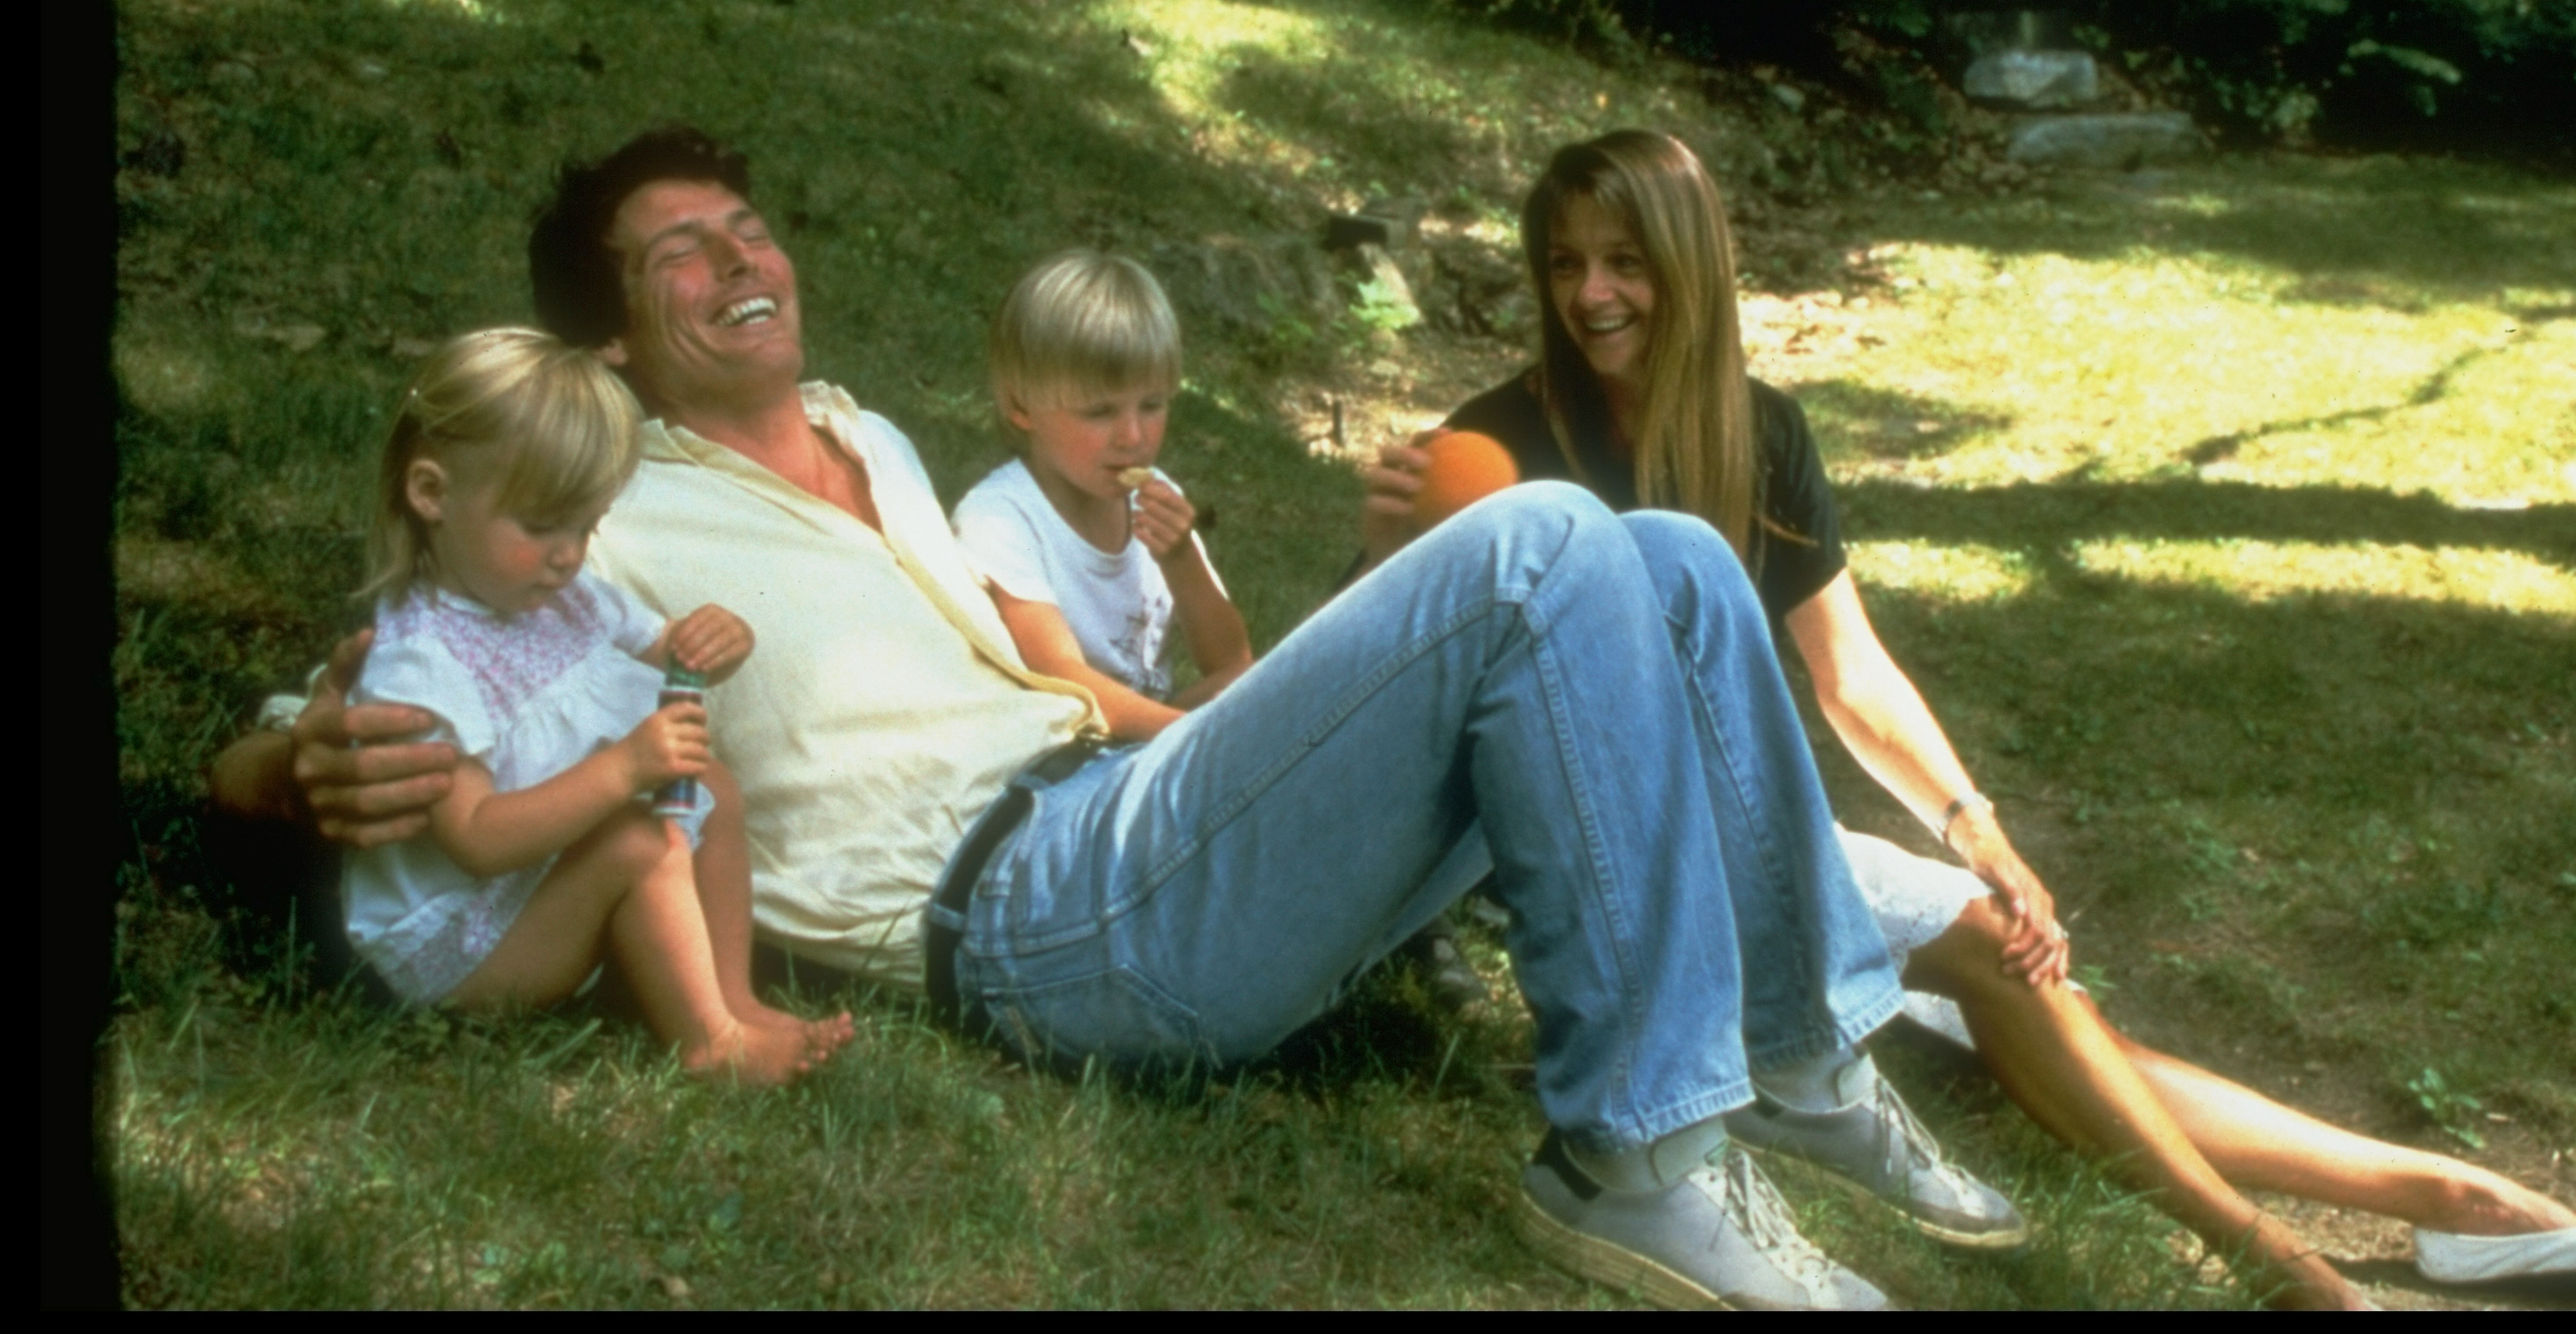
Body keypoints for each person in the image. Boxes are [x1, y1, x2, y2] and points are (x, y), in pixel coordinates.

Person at [210, 124, 2031, 1310]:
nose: (736, 253)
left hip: (1128, 813)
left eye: (747, 221)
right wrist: (297, 761)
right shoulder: (596, 499)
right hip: (1032, 915)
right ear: (606, 340)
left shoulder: (876, 435)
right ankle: (1635, 1154)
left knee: (1673, 560)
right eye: (676, 251)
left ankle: (1792, 1049)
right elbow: (330, 705)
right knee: (1545, 542)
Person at [1357, 129, 2576, 1309]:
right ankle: (2288, 1267)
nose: (1592, 296)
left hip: (1753, 841)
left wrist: (1975, 824)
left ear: (1689, 268)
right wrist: (1386, 552)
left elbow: (1852, 677)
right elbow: (1423, 703)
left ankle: (2450, 1201)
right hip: (1623, 861)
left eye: (1627, 261)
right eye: (1568, 263)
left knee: (2036, 1011)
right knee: (1992, 963)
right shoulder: (1497, 448)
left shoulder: (1761, 435)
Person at [341, 327, 851, 1086]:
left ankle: (734, 998)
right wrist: (622, 770)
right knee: (639, 842)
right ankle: (711, 1044)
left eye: (587, 526)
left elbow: (669, 646)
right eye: (543, 525)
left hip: (539, 889)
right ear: (431, 494)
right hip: (462, 943)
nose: (569, 553)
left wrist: (717, 640)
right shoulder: (423, 664)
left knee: (712, 786)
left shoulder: (564, 599)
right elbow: (476, 838)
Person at [954, 251, 1251, 739]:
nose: (1133, 436)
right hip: (1061, 758)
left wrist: (1181, 559)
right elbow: (1059, 677)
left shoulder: (1155, 497)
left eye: (1152, 405)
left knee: (1256, 688)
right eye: (1099, 412)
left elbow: (1231, 661)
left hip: (1147, 741)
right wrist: (1187, 742)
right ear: (1020, 404)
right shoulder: (1001, 519)